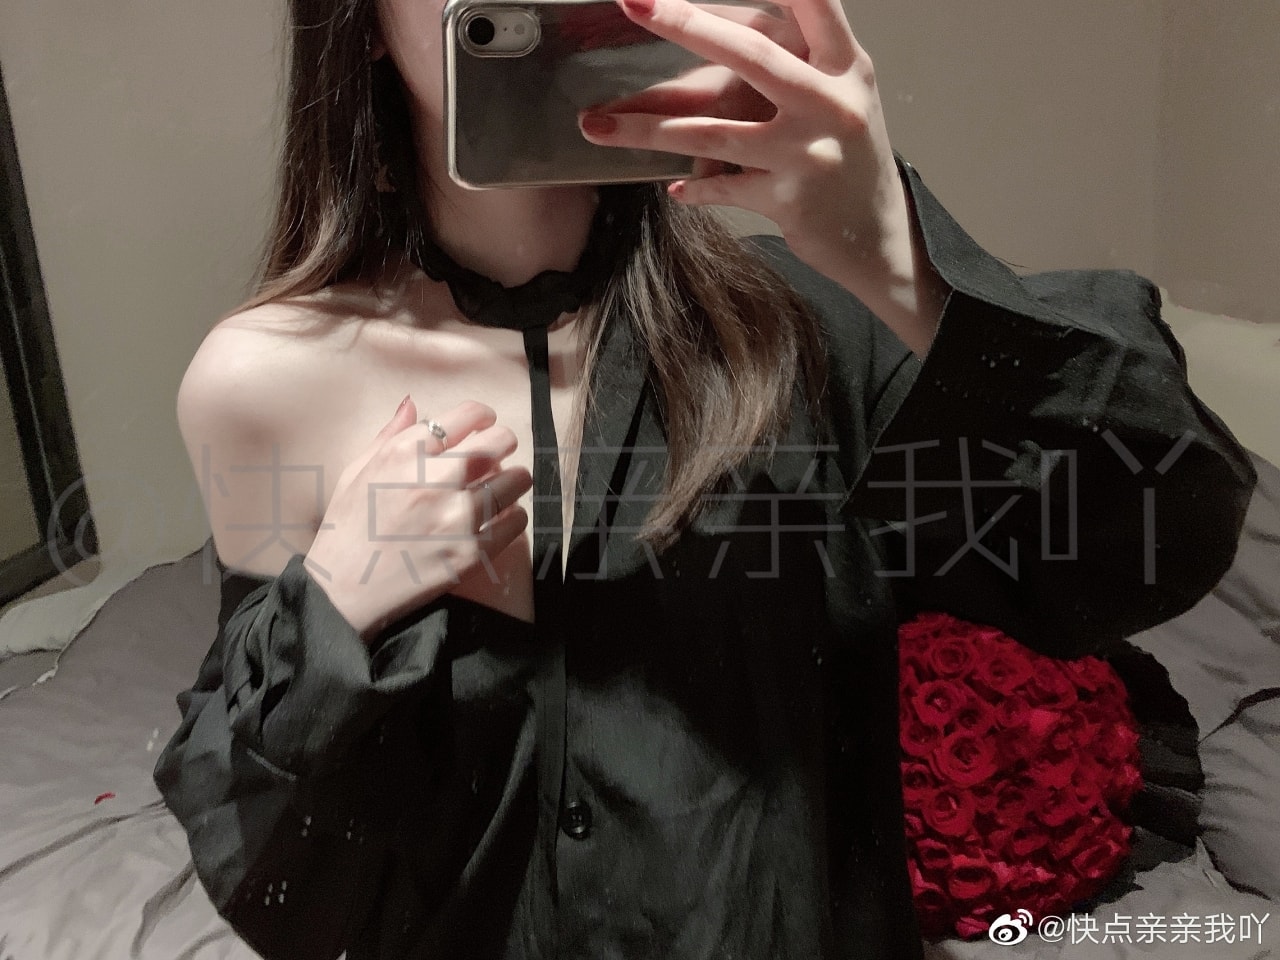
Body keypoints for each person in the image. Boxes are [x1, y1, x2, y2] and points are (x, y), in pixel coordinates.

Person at [152, 0, 1258, 957]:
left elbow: (1149, 543)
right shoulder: (264, 382)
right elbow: (278, 866)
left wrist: (897, 261)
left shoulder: (815, 327)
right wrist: (340, 606)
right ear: (357, 21)